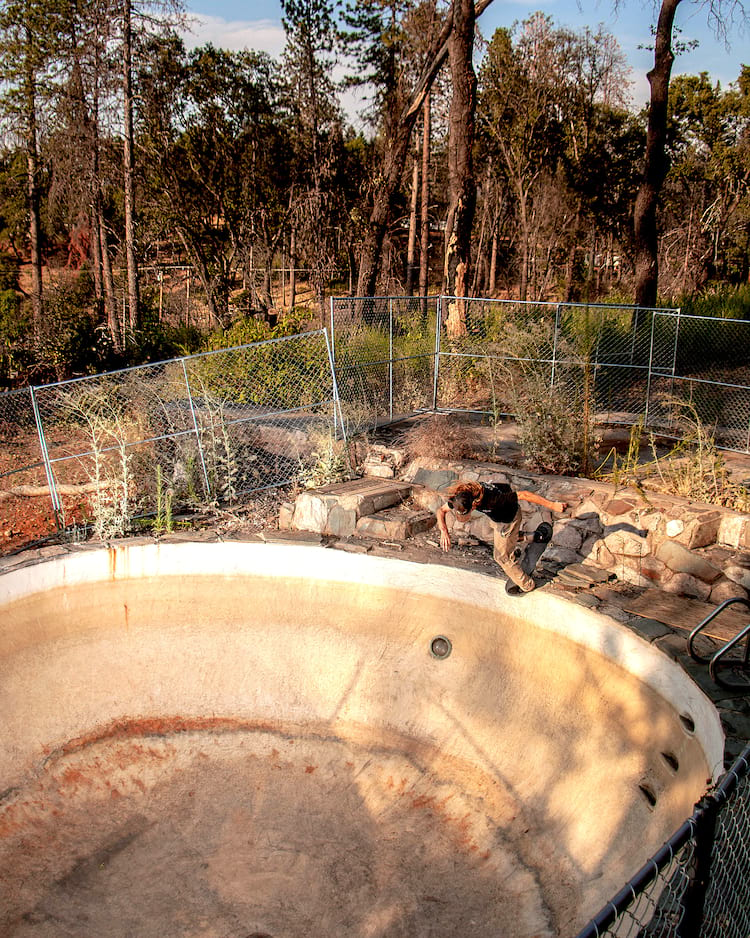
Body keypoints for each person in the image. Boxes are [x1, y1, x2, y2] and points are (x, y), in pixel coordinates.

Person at [436, 480, 566, 593]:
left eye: (467, 513)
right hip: (497, 519)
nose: (465, 517)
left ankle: (527, 585)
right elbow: (440, 511)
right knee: (493, 537)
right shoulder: (461, 497)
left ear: (474, 505)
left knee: (501, 556)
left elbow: (524, 495)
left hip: (509, 518)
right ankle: (535, 537)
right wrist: (444, 531)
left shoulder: (494, 500)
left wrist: (553, 505)